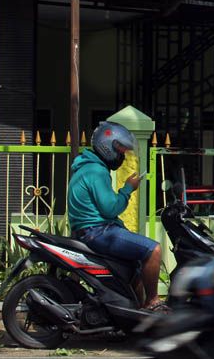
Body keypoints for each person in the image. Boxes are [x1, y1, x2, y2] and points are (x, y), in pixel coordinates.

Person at [68, 122, 163, 311]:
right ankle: (153, 301)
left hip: (89, 231)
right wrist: (128, 189)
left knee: (135, 265)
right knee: (153, 250)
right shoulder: (96, 171)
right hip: (98, 232)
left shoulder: (86, 167)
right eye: (120, 150)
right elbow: (110, 208)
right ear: (107, 146)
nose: (122, 155)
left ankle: (134, 312)